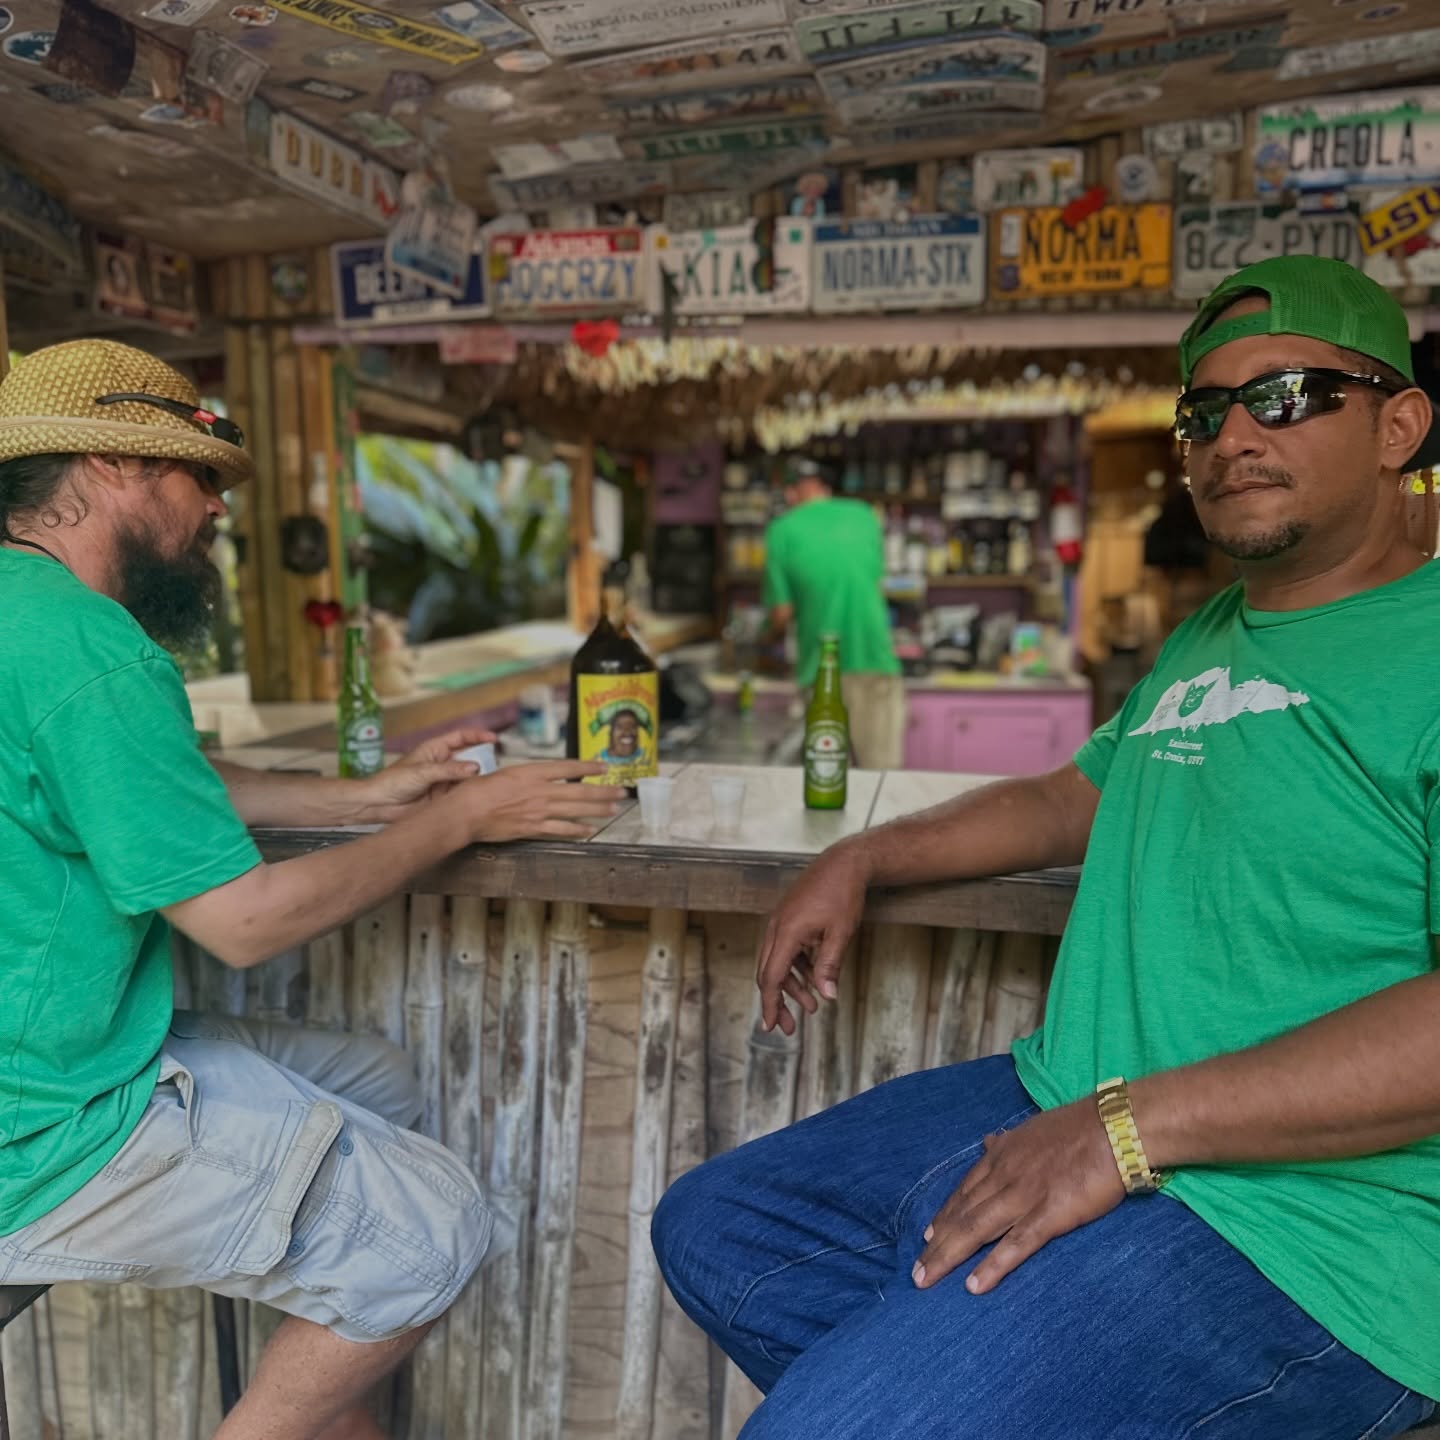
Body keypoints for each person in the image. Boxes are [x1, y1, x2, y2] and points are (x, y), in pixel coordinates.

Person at [653, 255, 1440, 1437]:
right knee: (718, 1227)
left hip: (1318, 1221)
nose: (1233, 437)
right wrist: (867, 853)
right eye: (1205, 411)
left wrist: (1128, 1132)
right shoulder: (1219, 628)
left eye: (1283, 396)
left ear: (1400, 425)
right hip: (1075, 1095)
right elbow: (1076, 793)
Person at [0, 340, 623, 1440]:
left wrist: (361, 794)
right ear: (109, 465)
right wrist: (461, 819)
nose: (216, 511)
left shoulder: (28, 618)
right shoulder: (86, 646)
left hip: (49, 1060)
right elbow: (245, 922)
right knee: (434, 1231)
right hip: (39, 1126)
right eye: (199, 478)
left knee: (372, 1078)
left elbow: (143, 784)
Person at [762, 457, 905, 769]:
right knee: (882, 781)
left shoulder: (781, 530)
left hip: (820, 669)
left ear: (791, 493)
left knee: (824, 779)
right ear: (824, 486)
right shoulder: (865, 515)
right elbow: (873, 581)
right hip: (874, 660)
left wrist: (765, 635)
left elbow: (782, 613)